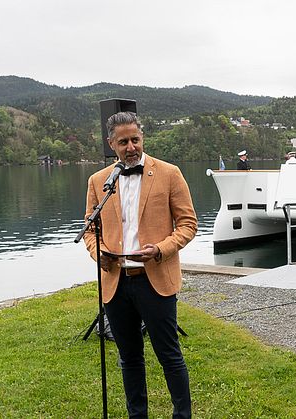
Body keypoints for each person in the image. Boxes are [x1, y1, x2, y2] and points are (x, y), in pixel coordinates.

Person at [83, 111, 197, 418]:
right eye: (123, 142)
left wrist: (160, 249)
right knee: (129, 357)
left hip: (155, 279)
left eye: (135, 139)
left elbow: (188, 224)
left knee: (169, 355)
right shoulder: (99, 181)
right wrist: (100, 253)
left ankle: (182, 416)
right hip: (115, 282)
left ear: (142, 137)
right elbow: (90, 229)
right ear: (111, 144)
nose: (131, 147)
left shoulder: (169, 173)